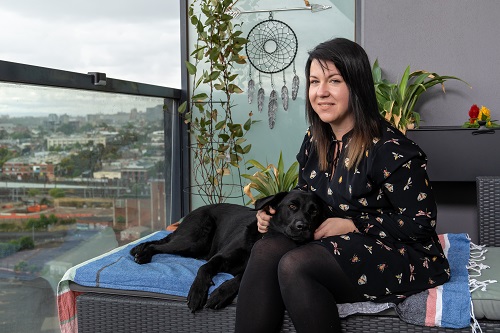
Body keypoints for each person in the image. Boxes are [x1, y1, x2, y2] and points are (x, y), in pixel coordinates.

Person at [234, 38, 450, 333]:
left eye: (334, 81)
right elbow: (306, 195)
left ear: (356, 86)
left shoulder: (391, 149)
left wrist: (353, 225)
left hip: (401, 252)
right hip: (337, 242)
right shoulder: (315, 139)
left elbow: (420, 224)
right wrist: (275, 214)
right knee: (266, 249)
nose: (320, 92)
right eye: (313, 82)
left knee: (295, 265)